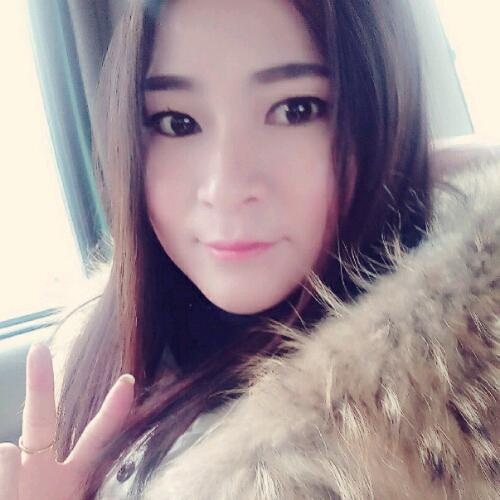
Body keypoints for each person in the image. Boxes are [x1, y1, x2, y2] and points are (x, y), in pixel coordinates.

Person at [0, 0, 498, 498]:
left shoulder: (449, 417)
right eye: (176, 121)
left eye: (296, 110)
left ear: (386, 115)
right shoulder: (110, 337)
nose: (225, 187)